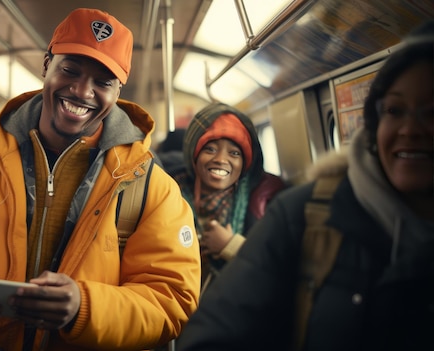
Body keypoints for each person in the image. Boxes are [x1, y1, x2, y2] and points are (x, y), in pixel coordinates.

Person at [0, 8, 201, 351]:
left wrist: (85, 307)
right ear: (47, 64)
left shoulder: (151, 187)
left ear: (118, 89)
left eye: (102, 82)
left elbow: (171, 299)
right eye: (70, 70)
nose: (82, 91)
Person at [176, 22, 434, 351]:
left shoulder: (267, 197)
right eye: (395, 110)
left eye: (431, 113)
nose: (410, 129)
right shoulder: (305, 211)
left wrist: (229, 246)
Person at [170, 102, 285, 293]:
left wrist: (230, 246)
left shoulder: (266, 201)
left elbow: (280, 271)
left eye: (234, 153)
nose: (221, 160)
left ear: (244, 164)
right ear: (194, 155)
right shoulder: (169, 193)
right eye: (210, 150)